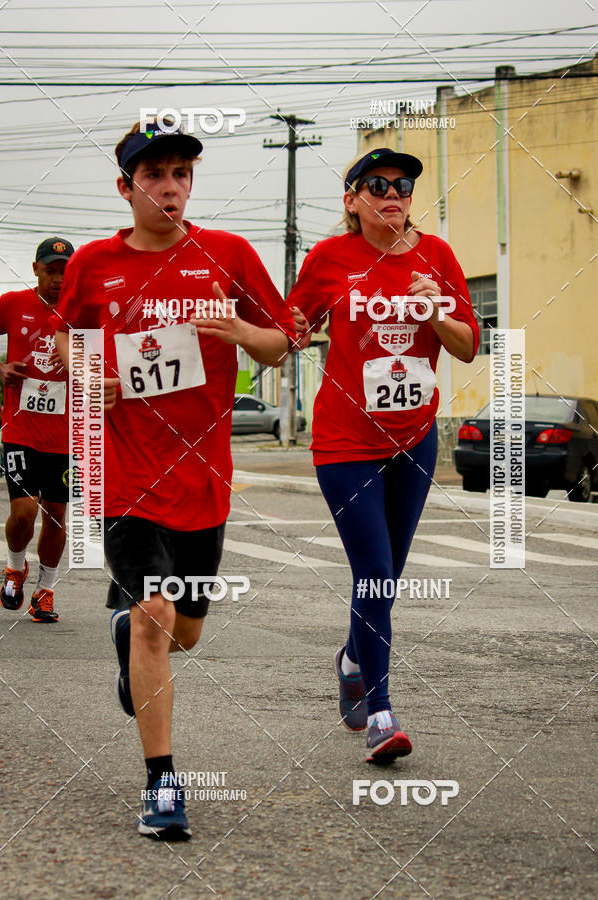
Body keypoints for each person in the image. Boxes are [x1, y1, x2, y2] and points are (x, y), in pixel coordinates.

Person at [54, 119, 294, 841]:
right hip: (125, 474)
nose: (169, 187)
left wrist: (241, 333)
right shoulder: (94, 264)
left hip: (203, 480)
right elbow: (68, 338)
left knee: (183, 631)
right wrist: (88, 373)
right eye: (154, 174)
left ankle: (128, 632)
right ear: (125, 187)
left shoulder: (229, 254)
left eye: (181, 174)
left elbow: (281, 341)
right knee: (156, 616)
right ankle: (162, 784)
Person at [288, 147, 479, 763]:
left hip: (415, 438)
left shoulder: (437, 256)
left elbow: (467, 346)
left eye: (403, 185)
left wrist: (437, 310)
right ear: (352, 200)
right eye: (377, 184)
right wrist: (283, 333)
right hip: (346, 441)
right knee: (373, 569)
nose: (393, 193)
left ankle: (352, 658)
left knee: (386, 575)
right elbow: (291, 326)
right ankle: (381, 713)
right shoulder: (329, 258)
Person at [0, 237, 75, 623]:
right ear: (35, 270)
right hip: (20, 431)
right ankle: (15, 566)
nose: (58, 279)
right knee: (25, 510)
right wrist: (0, 370)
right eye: (51, 271)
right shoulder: (13, 304)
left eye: (65, 271)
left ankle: (45, 589)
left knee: (56, 513)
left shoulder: (84, 311)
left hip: (66, 435)